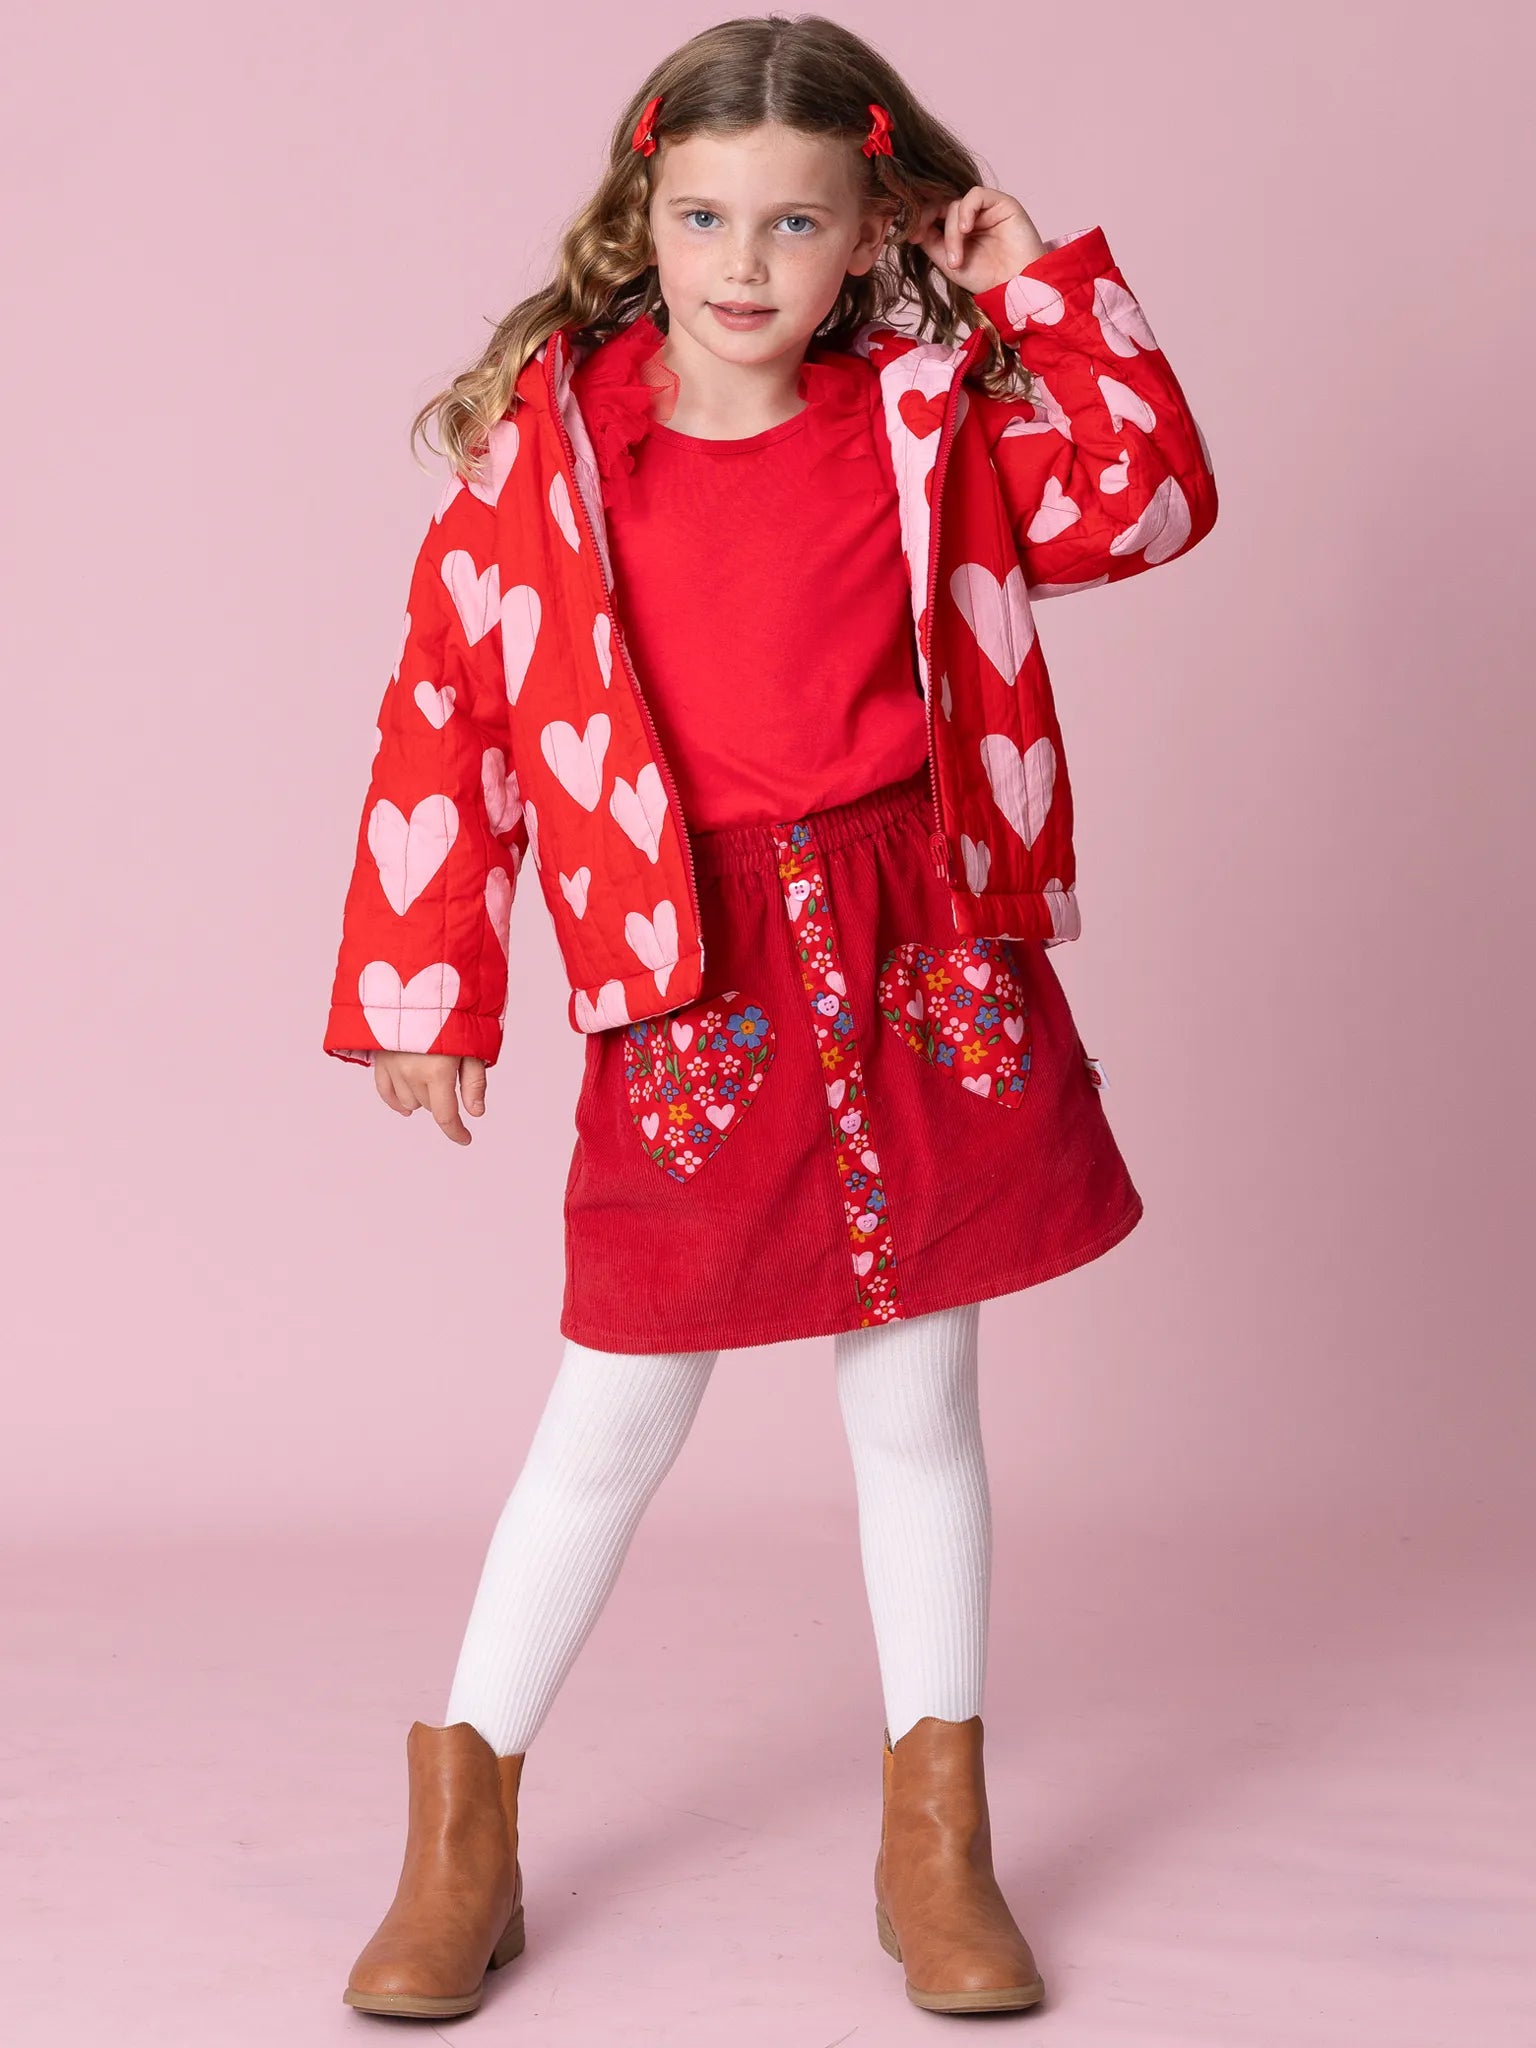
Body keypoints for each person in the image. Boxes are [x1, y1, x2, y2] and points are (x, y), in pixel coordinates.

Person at [322, 12, 1218, 2022]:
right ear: (643, 214)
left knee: (915, 1404)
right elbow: (444, 721)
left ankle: (937, 1851)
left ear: (863, 227)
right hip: (694, 982)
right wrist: (429, 976)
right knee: (616, 1408)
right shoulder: (548, 460)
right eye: (707, 212)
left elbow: (1155, 500)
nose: (743, 259)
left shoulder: (931, 425)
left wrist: (1039, 290)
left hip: (923, 953)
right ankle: (461, 1835)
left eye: (793, 222)